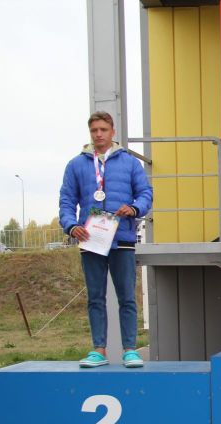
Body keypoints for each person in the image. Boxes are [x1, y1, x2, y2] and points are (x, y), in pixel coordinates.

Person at [59, 111, 153, 368]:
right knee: (95, 297)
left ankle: (130, 350)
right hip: (91, 239)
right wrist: (71, 226)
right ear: (90, 133)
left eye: (103, 129)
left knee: (127, 297)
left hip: (122, 238)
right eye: (94, 130)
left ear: (113, 132)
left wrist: (134, 208)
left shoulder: (130, 163)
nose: (98, 134)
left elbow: (145, 193)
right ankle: (98, 350)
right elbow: (67, 200)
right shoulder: (76, 165)